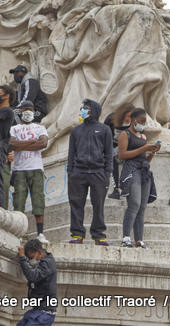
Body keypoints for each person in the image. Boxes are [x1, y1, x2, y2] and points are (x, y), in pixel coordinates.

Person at [67, 99, 112, 246]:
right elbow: (71, 153)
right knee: (76, 204)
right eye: (82, 108)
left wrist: (107, 172)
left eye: (86, 108)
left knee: (98, 204)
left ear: (95, 111)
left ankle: (99, 235)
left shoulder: (105, 129)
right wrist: (70, 172)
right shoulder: (75, 131)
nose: (83, 111)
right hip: (78, 172)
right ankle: (77, 234)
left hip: (98, 172)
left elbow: (109, 153)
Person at [10, 102, 50, 245]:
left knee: (38, 201)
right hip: (19, 169)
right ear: (20, 112)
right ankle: (19, 234)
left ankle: (40, 233)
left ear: (34, 111)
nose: (28, 112)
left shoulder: (40, 127)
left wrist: (21, 145)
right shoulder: (14, 128)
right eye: (25, 109)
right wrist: (32, 142)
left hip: (36, 168)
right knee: (18, 202)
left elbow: (43, 144)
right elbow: (12, 145)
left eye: (30, 109)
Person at [117, 108, 157, 248]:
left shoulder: (143, 137)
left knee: (142, 207)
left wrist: (152, 153)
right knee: (134, 203)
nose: (143, 124)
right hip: (131, 170)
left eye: (144, 122)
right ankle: (126, 238)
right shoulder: (125, 134)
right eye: (141, 121)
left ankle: (139, 240)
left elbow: (145, 159)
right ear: (133, 120)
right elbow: (122, 155)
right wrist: (144, 149)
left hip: (144, 171)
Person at [16, 238, 57, 326]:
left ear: (40, 252)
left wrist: (22, 258)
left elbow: (33, 276)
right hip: (37, 310)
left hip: (45, 313)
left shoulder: (48, 264)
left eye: (31, 258)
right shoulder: (42, 260)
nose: (30, 260)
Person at [104, 103, 134, 200]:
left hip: (126, 146)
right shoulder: (111, 119)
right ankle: (116, 189)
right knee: (112, 160)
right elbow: (104, 134)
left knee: (130, 159)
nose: (129, 119)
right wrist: (109, 150)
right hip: (112, 145)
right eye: (128, 116)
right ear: (122, 114)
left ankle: (126, 186)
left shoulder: (134, 123)